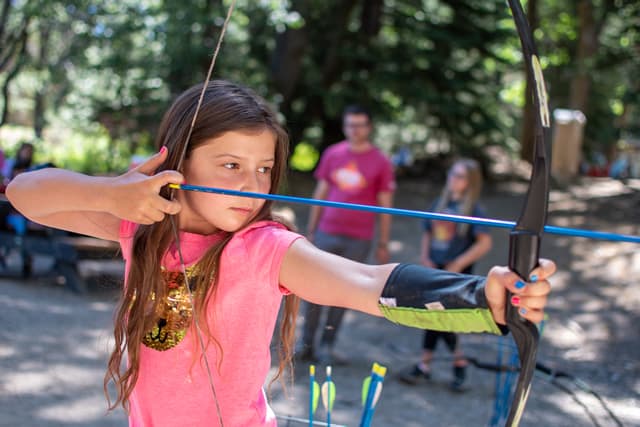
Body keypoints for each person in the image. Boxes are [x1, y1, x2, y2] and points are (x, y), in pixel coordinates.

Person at [6, 80, 554, 427]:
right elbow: (27, 193)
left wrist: (483, 297)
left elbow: (366, 281)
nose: (251, 185)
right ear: (176, 161)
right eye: (230, 166)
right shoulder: (141, 226)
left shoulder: (264, 248)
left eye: (263, 169)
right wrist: (112, 191)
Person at [301, 105, 395, 364]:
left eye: (361, 124)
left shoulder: (381, 161)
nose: (356, 130)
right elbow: (320, 193)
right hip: (327, 232)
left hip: (359, 237)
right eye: (351, 124)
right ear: (344, 127)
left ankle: (327, 347)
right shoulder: (333, 154)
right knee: (313, 289)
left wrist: (383, 242)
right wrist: (311, 229)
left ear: (369, 127)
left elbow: (386, 203)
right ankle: (305, 345)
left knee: (343, 292)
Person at [399, 159, 492, 392]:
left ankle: (436, 364)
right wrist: (425, 257)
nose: (453, 179)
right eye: (452, 174)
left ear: (470, 182)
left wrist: (459, 263)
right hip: (435, 267)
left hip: (456, 274)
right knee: (433, 315)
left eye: (460, 176)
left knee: (441, 316)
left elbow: (484, 243)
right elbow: (428, 233)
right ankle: (441, 364)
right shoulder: (440, 203)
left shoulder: (474, 210)